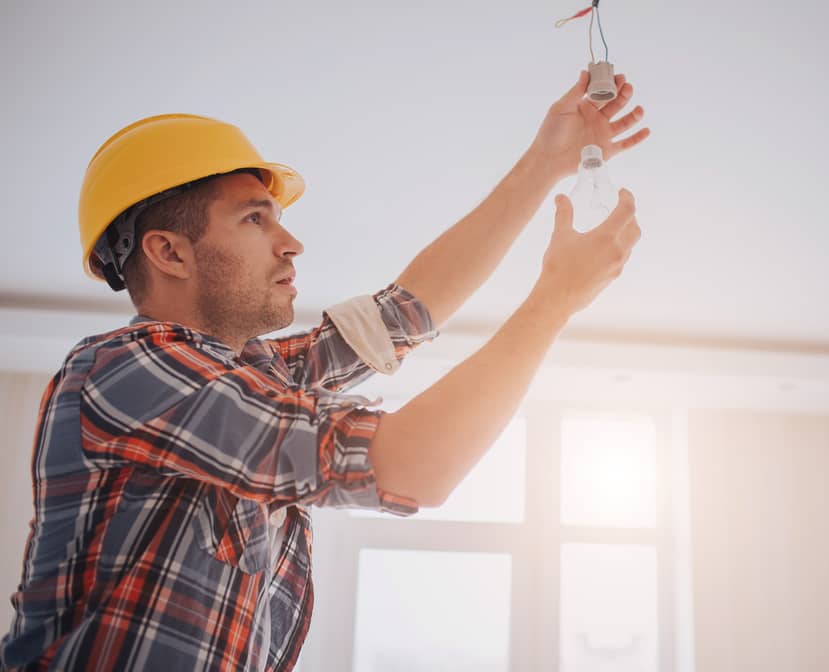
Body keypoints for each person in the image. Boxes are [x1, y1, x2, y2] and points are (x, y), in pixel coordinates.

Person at [1, 70, 648, 670]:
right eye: (255, 218)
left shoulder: (254, 373)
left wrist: (546, 163)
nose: (292, 242)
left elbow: (404, 312)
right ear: (169, 251)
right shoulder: (125, 367)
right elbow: (410, 465)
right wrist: (553, 301)